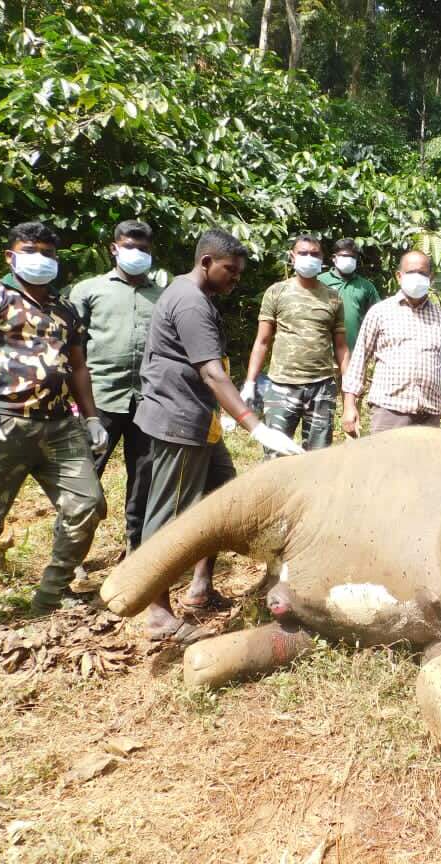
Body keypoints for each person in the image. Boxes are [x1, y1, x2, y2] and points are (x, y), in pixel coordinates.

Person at [0, 221, 109, 645]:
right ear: (10, 255)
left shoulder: (64, 308)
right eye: (31, 250)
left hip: (59, 426)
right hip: (4, 423)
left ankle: (51, 595)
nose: (41, 259)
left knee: (87, 505)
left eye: (49, 253)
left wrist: (90, 418)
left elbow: (78, 367)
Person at [135, 228, 302, 644]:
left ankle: (200, 587)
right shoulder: (190, 301)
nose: (235, 279)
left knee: (221, 500)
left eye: (240, 274)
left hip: (200, 423)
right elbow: (212, 373)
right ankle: (156, 611)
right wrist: (256, 425)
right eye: (230, 270)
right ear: (206, 262)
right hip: (179, 423)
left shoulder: (195, 296)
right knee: (170, 516)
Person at [67, 220, 162, 554]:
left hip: (148, 402)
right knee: (84, 478)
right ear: (114, 248)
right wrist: (77, 403)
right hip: (100, 401)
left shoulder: (162, 295)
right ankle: (72, 560)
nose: (136, 254)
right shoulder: (88, 290)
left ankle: (136, 547)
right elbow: (70, 348)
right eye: (129, 247)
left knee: (144, 477)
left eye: (143, 249)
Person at [239, 235, 350, 454]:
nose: (309, 258)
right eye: (303, 253)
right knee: (275, 456)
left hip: (321, 387)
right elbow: (262, 341)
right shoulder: (276, 292)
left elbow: (341, 347)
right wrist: (250, 382)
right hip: (281, 386)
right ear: (292, 256)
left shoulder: (333, 297)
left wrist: (348, 390)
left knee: (318, 457)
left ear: (323, 258)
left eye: (315, 254)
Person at [341, 250, 441, 435]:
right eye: (411, 273)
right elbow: (359, 360)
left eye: (422, 273)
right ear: (399, 276)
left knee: (426, 465)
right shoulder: (380, 312)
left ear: (431, 278)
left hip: (429, 414)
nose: (417, 277)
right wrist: (349, 404)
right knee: (386, 464)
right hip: (389, 411)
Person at [319, 237, 382, 352]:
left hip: (355, 353)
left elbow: (379, 317)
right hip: (323, 353)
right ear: (334, 258)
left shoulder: (366, 286)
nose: (348, 259)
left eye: (352, 257)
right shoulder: (320, 281)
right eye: (344, 256)